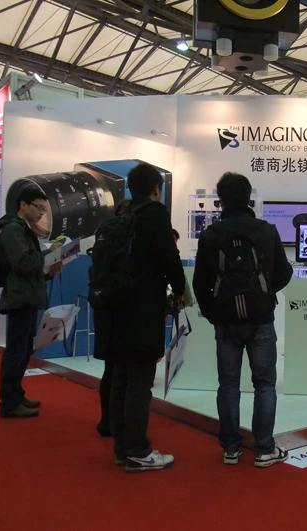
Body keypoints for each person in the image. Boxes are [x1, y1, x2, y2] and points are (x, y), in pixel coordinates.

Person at [193, 172, 292, 467]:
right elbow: (284, 272)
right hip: (260, 319)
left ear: (220, 199)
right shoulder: (266, 230)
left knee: (228, 384)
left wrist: (213, 313)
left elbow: (200, 282)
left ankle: (231, 448)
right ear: (249, 198)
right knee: (264, 385)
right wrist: (264, 294)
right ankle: (264, 449)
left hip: (226, 321)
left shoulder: (211, 234)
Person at [103, 162, 186, 472]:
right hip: (143, 309)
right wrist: (180, 290)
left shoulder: (122, 216)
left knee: (121, 379)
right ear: (156, 190)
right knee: (140, 382)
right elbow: (169, 258)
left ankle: (122, 449)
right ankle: (139, 451)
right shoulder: (154, 214)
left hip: (116, 308)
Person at [0, 186, 64, 418]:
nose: (42, 213)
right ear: (23, 205)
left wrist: (49, 271)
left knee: (24, 350)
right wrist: (49, 253)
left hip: (27, 296)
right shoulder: (13, 229)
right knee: (16, 352)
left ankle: (16, 395)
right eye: (38, 207)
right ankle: (9, 403)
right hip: (20, 298)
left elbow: (31, 267)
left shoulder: (24, 230)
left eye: (44, 209)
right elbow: (22, 263)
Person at [93, 198, 131, 437]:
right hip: (124, 306)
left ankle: (107, 421)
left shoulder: (104, 231)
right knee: (126, 371)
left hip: (103, 303)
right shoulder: (130, 233)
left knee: (111, 368)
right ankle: (122, 423)